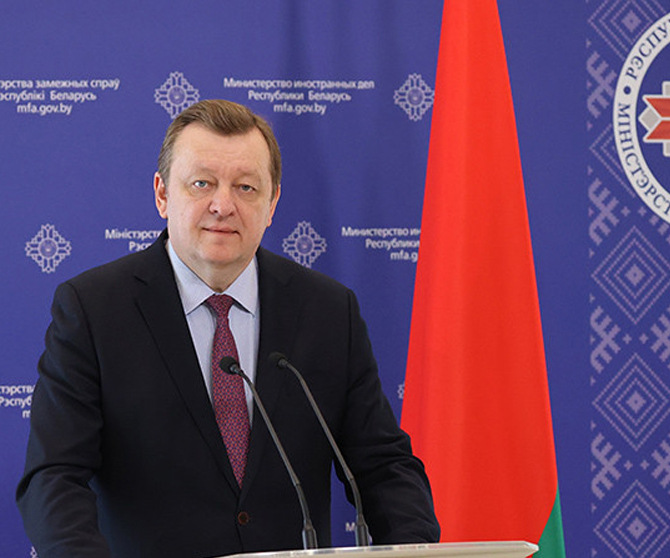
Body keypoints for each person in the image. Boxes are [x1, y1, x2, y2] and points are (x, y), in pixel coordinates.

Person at [17, 99, 439, 558]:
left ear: (272, 203)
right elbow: (54, 476)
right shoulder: (95, 309)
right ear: (162, 194)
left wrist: (413, 550)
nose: (223, 205)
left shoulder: (328, 311)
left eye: (245, 187)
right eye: (202, 183)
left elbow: (384, 467)